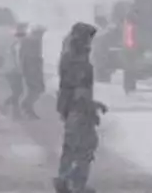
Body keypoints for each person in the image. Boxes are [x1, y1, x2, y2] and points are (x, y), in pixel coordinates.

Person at [54, 22, 107, 193]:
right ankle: (74, 182)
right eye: (89, 38)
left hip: (69, 105)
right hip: (78, 108)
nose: (90, 43)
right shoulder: (79, 61)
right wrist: (91, 108)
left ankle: (65, 178)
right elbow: (80, 89)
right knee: (86, 145)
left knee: (71, 145)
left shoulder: (68, 56)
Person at [0, 23, 29, 118]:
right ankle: (7, 107)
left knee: (17, 92)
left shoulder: (14, 43)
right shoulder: (19, 44)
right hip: (14, 71)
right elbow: (18, 58)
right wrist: (21, 69)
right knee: (18, 92)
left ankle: (15, 113)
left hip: (10, 70)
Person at [19, 25, 47, 118]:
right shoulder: (32, 41)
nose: (42, 35)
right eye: (41, 33)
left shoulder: (33, 41)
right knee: (35, 90)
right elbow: (26, 56)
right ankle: (26, 106)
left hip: (34, 69)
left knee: (36, 90)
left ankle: (28, 107)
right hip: (32, 69)